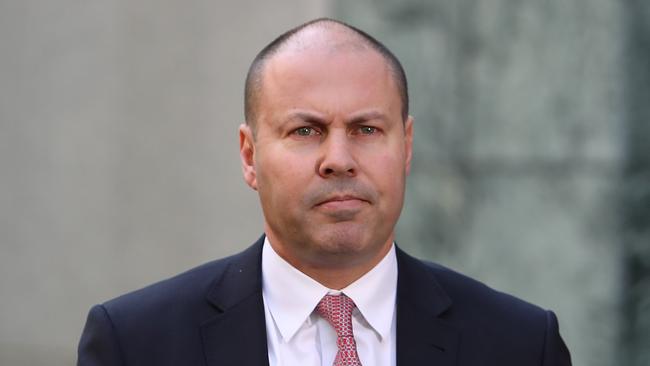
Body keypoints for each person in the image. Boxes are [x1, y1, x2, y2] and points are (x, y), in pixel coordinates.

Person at [77, 18, 572, 366]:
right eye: (306, 130)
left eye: (367, 129)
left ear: (407, 146)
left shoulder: (522, 345)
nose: (339, 158)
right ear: (249, 155)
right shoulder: (137, 344)